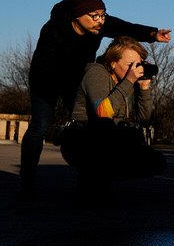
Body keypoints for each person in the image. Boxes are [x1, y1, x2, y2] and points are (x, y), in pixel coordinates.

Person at [19, 0, 171, 198]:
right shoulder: (53, 30)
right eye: (95, 16)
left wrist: (153, 34)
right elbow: (45, 66)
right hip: (46, 79)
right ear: (78, 15)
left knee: (96, 122)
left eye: (103, 15)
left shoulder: (99, 25)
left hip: (76, 78)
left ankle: (93, 179)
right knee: (40, 125)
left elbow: (123, 27)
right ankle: (26, 183)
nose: (100, 20)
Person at [59, 36, 167, 196]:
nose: (135, 70)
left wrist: (144, 88)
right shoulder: (96, 73)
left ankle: (102, 182)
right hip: (80, 140)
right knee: (105, 127)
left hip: (108, 141)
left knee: (155, 161)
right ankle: (92, 186)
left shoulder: (127, 81)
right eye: (130, 65)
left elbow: (144, 120)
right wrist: (128, 82)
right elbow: (102, 113)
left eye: (138, 64)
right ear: (112, 63)